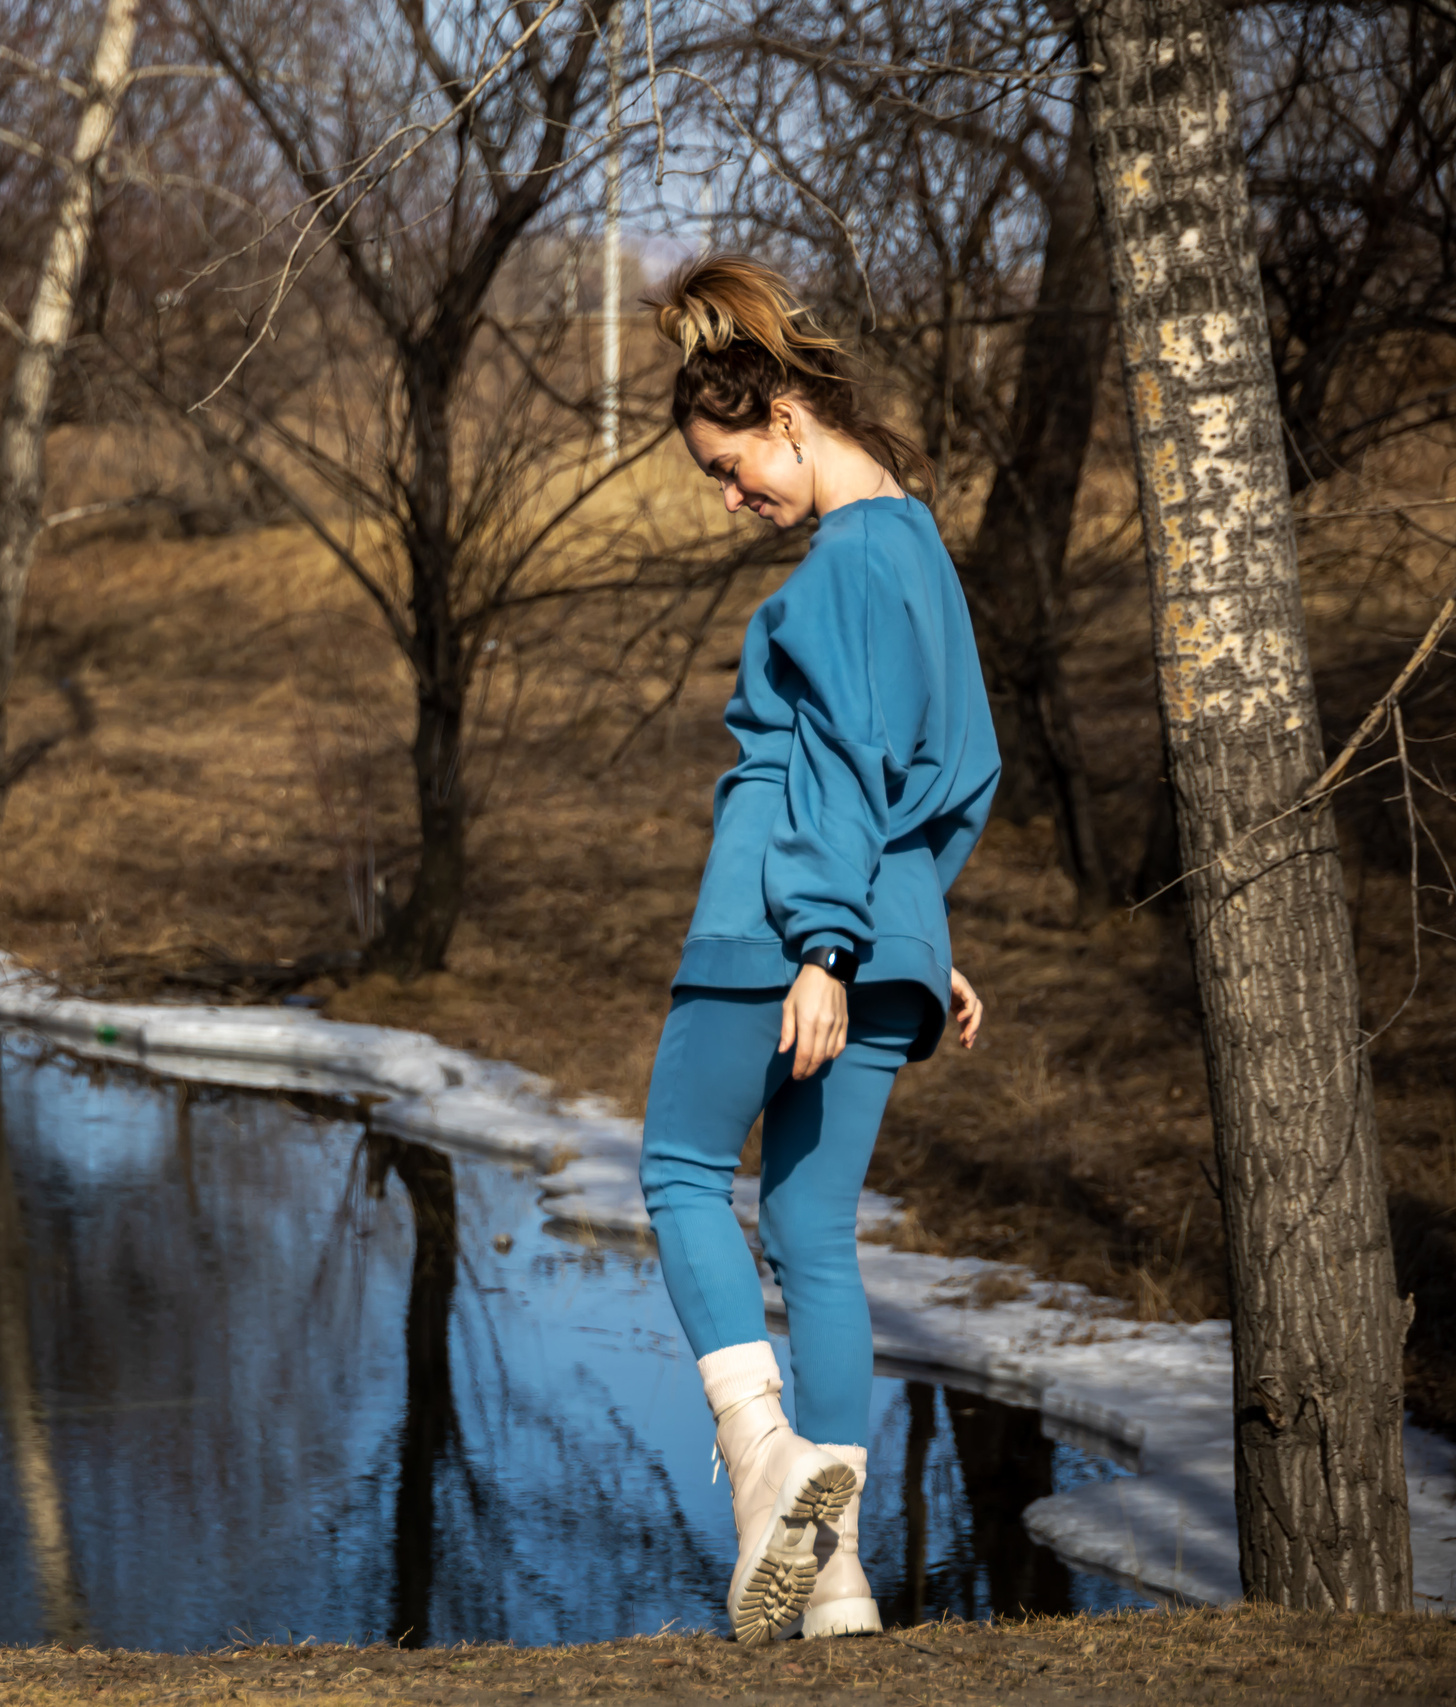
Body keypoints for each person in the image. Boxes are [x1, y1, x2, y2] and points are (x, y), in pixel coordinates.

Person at [636, 257, 1000, 1646]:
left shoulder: (846, 563)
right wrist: (916, 925)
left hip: (783, 924)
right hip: (887, 928)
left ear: (786, 417)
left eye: (732, 467)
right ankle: (839, 1586)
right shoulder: (921, 552)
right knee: (811, 1233)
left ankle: (761, 1463)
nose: (733, 499)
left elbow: (839, 764)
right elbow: (959, 769)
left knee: (676, 1173)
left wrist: (828, 948)